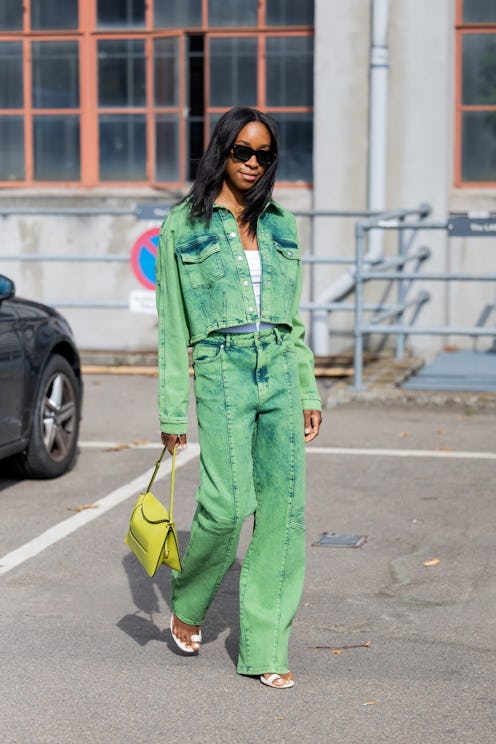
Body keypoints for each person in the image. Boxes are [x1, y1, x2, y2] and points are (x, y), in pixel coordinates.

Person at [156, 106, 322, 689]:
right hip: (221, 368)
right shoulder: (183, 224)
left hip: (278, 366)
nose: (253, 163)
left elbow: (294, 320)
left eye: (264, 155)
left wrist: (308, 389)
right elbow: (172, 327)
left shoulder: (282, 224)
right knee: (227, 507)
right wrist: (172, 409)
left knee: (284, 511)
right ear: (221, 152)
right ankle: (190, 601)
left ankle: (268, 649)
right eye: (242, 152)